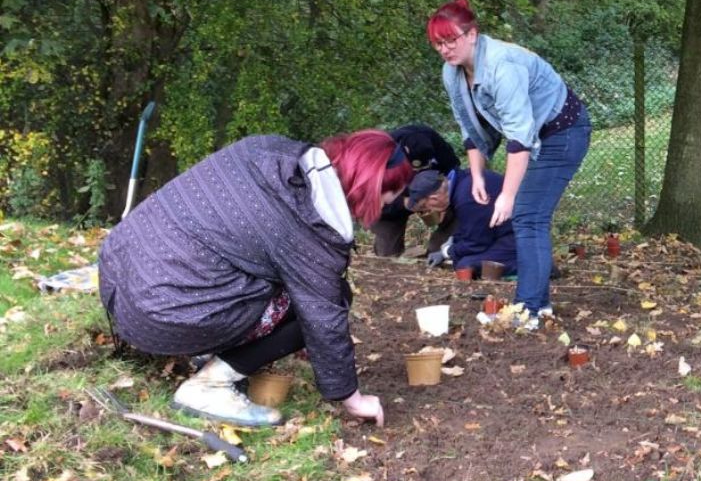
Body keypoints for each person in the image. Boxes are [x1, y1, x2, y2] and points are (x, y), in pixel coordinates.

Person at [98, 131, 414, 427]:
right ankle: (210, 386)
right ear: (371, 188)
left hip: (118, 278)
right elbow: (323, 318)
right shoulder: (312, 228)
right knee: (331, 300)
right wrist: (353, 398)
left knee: (282, 283)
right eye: (392, 194)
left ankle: (205, 346)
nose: (391, 204)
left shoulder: (266, 150)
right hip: (164, 315)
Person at [427, 0, 591, 327]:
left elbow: (520, 138)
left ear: (472, 34)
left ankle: (528, 310)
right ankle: (538, 306)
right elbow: (470, 128)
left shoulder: (503, 65)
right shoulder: (453, 72)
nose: (445, 49)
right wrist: (476, 175)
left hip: (563, 131)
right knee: (530, 218)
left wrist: (508, 194)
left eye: (451, 40)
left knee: (528, 215)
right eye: (438, 43)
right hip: (533, 136)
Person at [369, 123, 460, 257]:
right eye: (415, 168)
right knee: (387, 256)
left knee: (456, 209)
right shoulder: (381, 157)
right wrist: (404, 203)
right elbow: (373, 202)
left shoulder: (438, 147)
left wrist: (444, 200)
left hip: (432, 196)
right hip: (395, 201)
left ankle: (437, 252)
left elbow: (455, 174)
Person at [406, 168, 517, 277]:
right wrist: (453, 242)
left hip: (518, 234)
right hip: (505, 230)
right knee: (462, 258)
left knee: (465, 265)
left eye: (425, 206)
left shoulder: (467, 199)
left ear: (434, 199)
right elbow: (470, 228)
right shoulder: (462, 180)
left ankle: (524, 265)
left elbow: (476, 243)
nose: (428, 211)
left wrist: (446, 252)